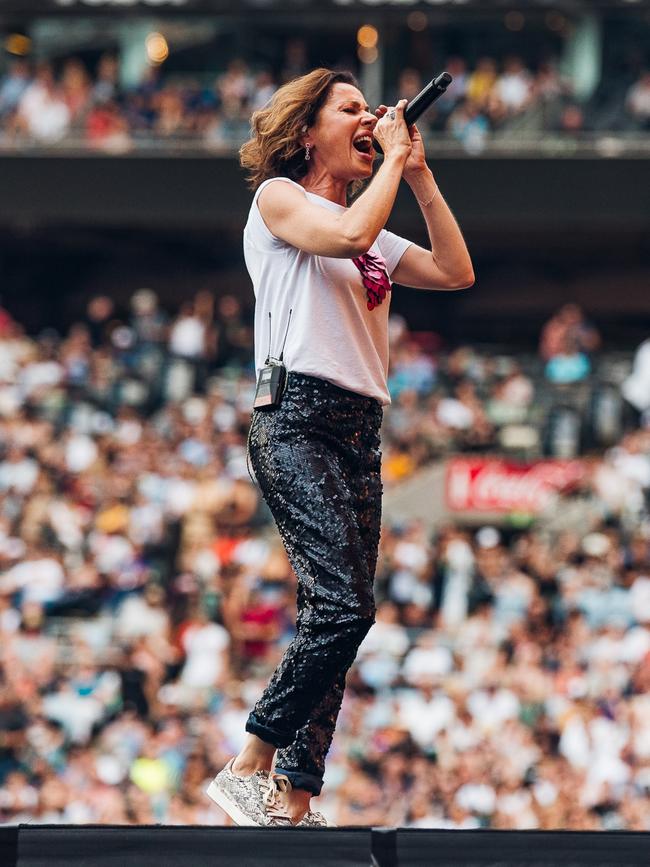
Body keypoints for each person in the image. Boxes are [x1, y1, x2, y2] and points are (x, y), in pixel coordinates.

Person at [205, 67, 473, 827]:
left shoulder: (379, 233)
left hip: (359, 428)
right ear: (306, 131)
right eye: (351, 110)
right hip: (297, 417)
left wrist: (415, 173)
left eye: (373, 110)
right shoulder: (280, 200)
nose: (371, 117)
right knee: (344, 603)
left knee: (347, 614)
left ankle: (296, 794)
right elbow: (348, 232)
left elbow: (456, 270)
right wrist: (387, 159)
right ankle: (250, 760)